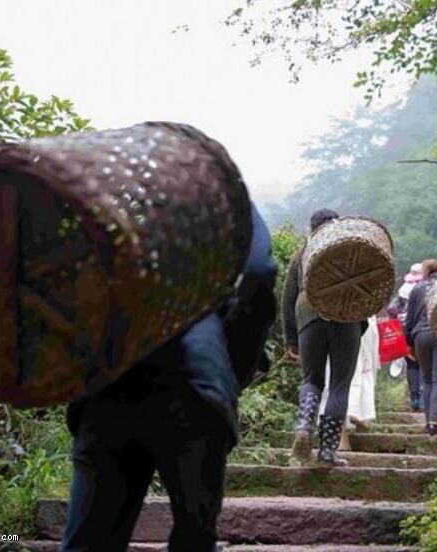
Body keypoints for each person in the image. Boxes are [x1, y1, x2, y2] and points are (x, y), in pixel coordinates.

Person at [61, 203, 278, 552]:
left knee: (90, 540)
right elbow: (259, 272)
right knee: (194, 539)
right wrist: (230, 369)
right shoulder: (223, 198)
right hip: (194, 386)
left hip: (109, 384)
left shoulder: (108, 186)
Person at [281, 208, 365, 467]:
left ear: (312, 227)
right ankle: (327, 452)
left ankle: (304, 427)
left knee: (312, 379)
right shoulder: (351, 248)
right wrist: (358, 326)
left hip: (308, 315)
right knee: (340, 384)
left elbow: (288, 297)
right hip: (346, 317)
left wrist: (291, 339)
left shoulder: (303, 253)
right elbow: (368, 289)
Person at [403, 259, 437, 436]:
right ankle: (434, 423)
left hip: (420, 336)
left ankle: (427, 423)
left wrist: (408, 343)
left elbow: (409, 320)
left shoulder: (416, 289)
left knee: (427, 379)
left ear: (425, 271)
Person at [318, 314, 380, 450]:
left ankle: (344, 431)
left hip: (329, 318)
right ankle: (351, 422)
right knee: (355, 373)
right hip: (359, 322)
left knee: (338, 377)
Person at [389, 263, 424, 411]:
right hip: (423, 329)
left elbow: (391, 309)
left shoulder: (403, 291)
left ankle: (415, 397)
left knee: (411, 364)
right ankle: (424, 397)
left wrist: (399, 317)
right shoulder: (426, 289)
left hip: (405, 331)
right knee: (425, 363)